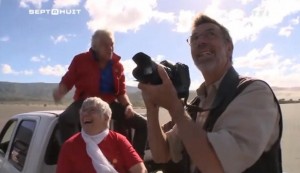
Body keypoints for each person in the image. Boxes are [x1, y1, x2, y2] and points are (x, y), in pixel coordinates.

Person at [138, 14, 282, 173]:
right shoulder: (198, 104)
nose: (201, 41)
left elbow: (218, 166)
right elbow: (162, 154)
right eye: (195, 38)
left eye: (210, 34)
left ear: (229, 47)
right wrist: (152, 108)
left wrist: (174, 107)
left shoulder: (255, 93)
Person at [53, 29, 147, 158]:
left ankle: (135, 161)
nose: (110, 48)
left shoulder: (117, 66)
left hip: (109, 104)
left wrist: (128, 106)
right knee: (65, 119)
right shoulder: (80, 60)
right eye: (105, 44)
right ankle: (76, 160)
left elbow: (121, 92)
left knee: (143, 125)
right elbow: (68, 80)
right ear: (94, 47)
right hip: (85, 103)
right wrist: (60, 91)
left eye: (112, 44)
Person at [56, 97, 147, 173]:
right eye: (83, 110)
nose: (85, 114)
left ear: (106, 117)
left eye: (92, 110)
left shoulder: (118, 140)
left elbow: (140, 170)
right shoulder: (70, 145)